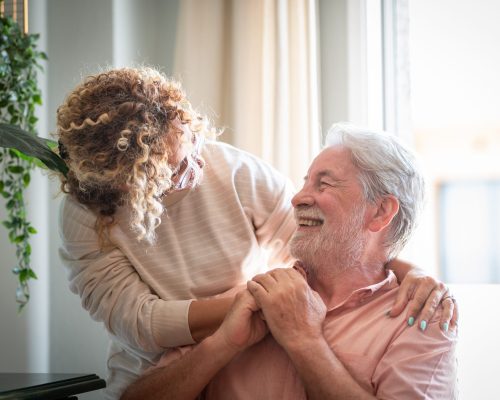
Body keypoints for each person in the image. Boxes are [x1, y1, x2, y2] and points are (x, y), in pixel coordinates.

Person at [56, 68, 456, 399]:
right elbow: (144, 325)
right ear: (129, 183)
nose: (196, 166)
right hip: (158, 362)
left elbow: (328, 239)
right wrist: (240, 320)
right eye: (175, 171)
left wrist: (412, 271)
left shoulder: (232, 170)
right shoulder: (85, 216)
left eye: (193, 142)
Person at [120, 123, 457, 400]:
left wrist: (304, 341)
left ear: (381, 212)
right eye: (305, 181)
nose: (297, 198)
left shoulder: (423, 322)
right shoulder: (250, 298)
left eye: (323, 183)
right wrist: (222, 345)